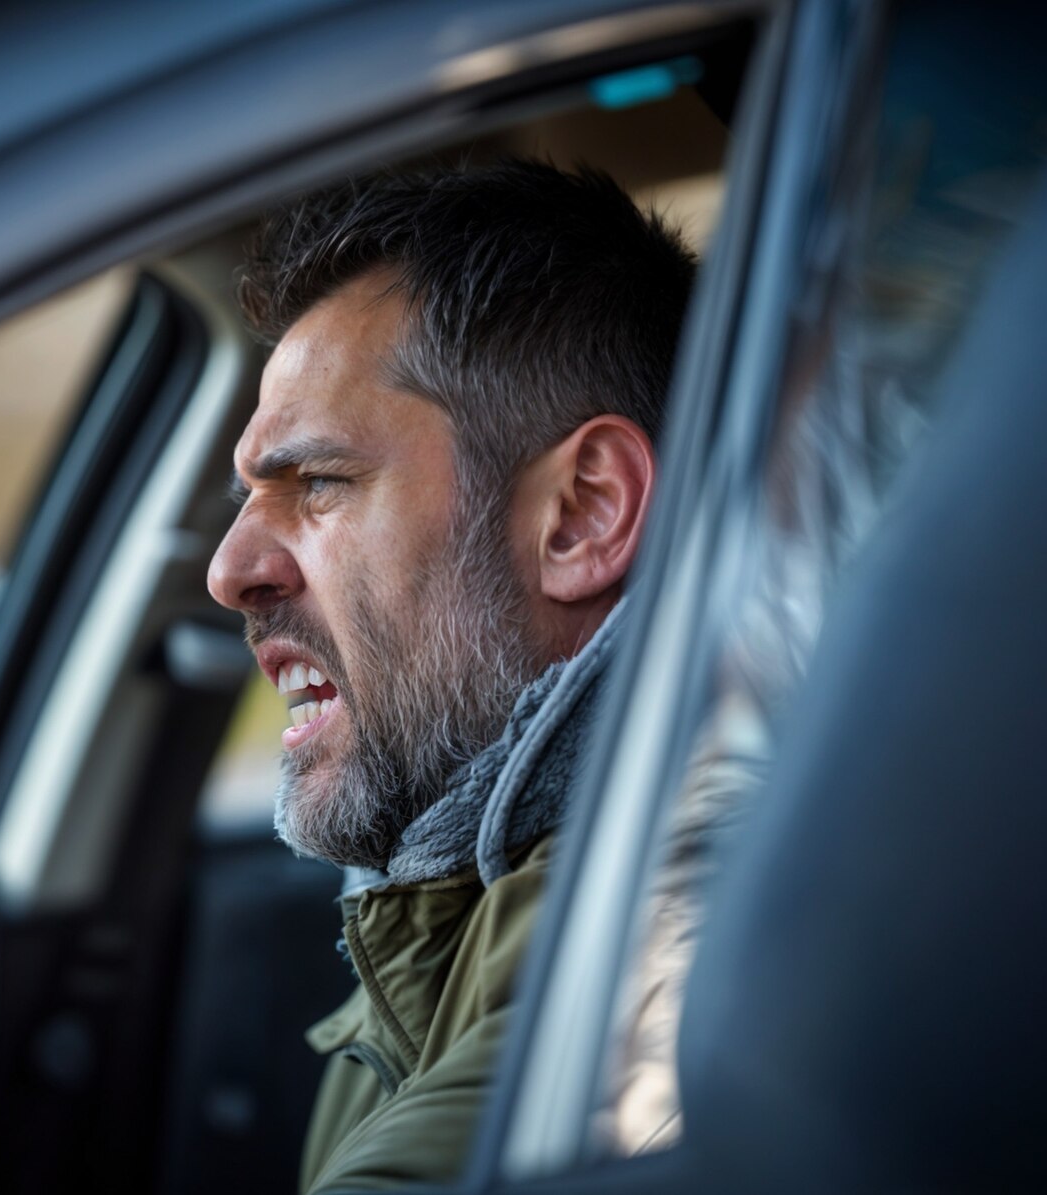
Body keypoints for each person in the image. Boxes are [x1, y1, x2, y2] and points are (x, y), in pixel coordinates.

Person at [207, 159, 695, 1193]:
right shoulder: (435, 899)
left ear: (583, 513)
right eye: (250, 495)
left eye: (321, 482)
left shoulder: (658, 953)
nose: (230, 570)